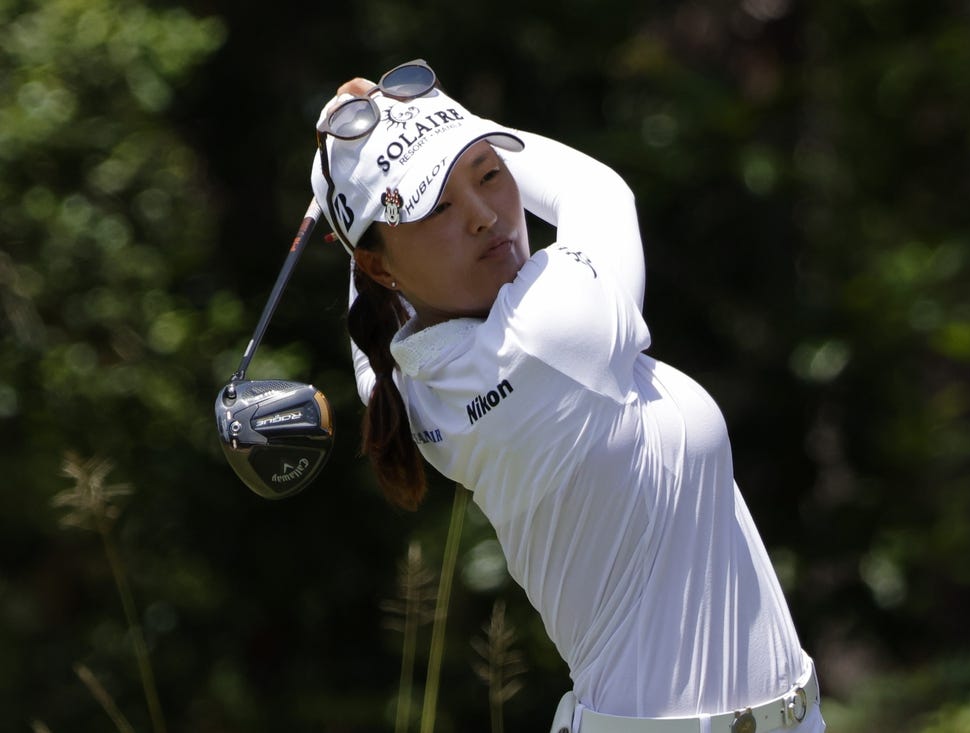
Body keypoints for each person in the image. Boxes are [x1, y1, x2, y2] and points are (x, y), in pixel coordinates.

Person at [311, 59, 826, 733]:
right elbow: (595, 188)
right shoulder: (551, 330)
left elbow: (371, 302)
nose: (484, 216)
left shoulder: (409, 382)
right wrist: (444, 122)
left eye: (490, 174)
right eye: (436, 205)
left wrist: (362, 158)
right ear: (381, 263)